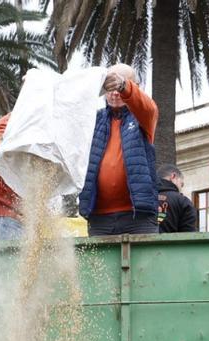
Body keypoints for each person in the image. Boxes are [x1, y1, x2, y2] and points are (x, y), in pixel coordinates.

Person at [78, 64, 160, 236]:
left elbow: (149, 108)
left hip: (138, 217)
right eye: (109, 86)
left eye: (118, 86)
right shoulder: (93, 120)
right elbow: (68, 110)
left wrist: (124, 86)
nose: (114, 92)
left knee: (145, 256)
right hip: (99, 218)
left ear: (135, 86)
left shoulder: (142, 118)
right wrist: (40, 88)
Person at [156, 165, 198, 233]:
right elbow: (189, 234)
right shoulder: (182, 201)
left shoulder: (143, 198)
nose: (181, 189)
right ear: (173, 176)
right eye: (181, 184)